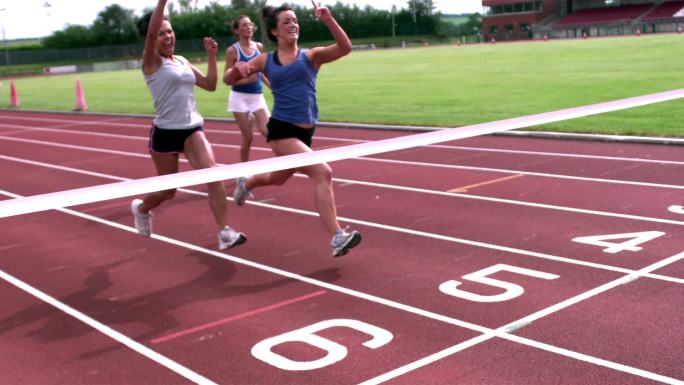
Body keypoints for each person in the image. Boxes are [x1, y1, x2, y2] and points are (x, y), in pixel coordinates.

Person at [224, 3, 361, 258]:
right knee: (323, 172)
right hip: (281, 130)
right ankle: (337, 236)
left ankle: (247, 183)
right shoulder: (266, 60)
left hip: (306, 132)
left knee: (278, 177)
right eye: (286, 21)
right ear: (275, 31)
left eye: (295, 20)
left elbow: (345, 48)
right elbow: (228, 79)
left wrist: (328, 19)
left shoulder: (311, 56)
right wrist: (237, 71)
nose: (293, 25)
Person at [131, 0, 246, 251]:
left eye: (170, 31)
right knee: (168, 191)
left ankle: (224, 232)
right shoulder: (151, 61)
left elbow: (210, 84)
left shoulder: (181, 60)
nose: (167, 36)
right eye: (161, 33)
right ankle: (141, 208)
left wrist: (212, 55)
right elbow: (151, 34)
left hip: (192, 128)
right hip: (165, 133)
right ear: (152, 38)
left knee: (213, 175)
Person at [224, 15, 270, 163]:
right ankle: (243, 172)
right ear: (237, 30)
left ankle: (252, 116)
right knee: (248, 137)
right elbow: (227, 78)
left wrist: (271, 85)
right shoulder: (233, 50)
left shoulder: (258, 47)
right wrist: (244, 78)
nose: (248, 27)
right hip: (239, 98)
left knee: (268, 131)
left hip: (257, 96)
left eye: (250, 24)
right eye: (244, 25)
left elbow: (261, 70)